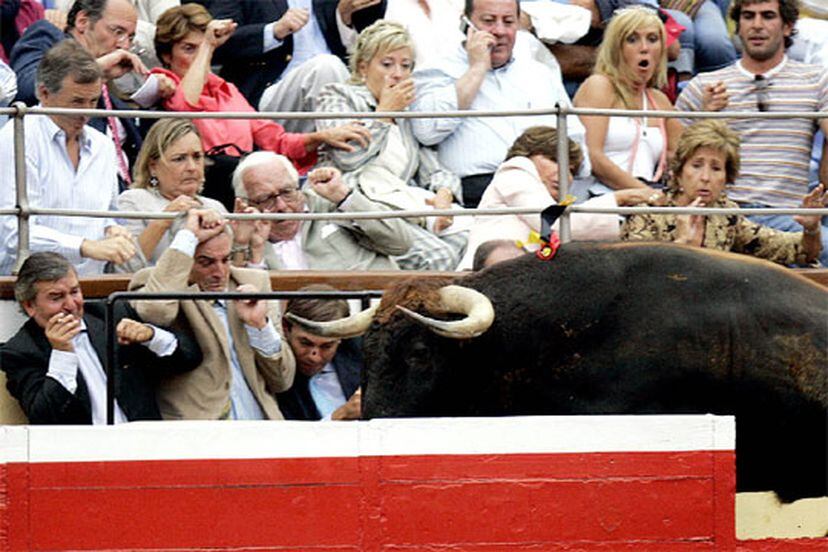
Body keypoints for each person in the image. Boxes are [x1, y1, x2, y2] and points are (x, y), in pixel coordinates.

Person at [151, 3, 372, 209]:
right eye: (189, 49)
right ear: (166, 56)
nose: (202, 55)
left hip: (245, 189)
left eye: (205, 48)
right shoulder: (162, 84)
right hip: (203, 190)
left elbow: (277, 141)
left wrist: (322, 137)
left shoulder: (227, 90)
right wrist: (209, 44)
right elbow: (183, 108)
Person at [676, 0, 828, 265]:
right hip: (720, 212)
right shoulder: (704, 85)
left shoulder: (816, 81)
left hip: (786, 216)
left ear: (787, 26)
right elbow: (674, 161)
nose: (757, 25)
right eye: (748, 16)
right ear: (739, 25)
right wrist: (706, 116)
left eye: (768, 16)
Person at [316, 20, 467, 271]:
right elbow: (348, 158)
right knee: (439, 257)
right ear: (363, 67)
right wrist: (383, 113)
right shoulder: (338, 95)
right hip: (354, 206)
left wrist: (444, 194)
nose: (397, 73)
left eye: (406, 66)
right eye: (387, 64)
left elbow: (433, 165)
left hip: (401, 207)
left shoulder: (405, 113)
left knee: (466, 241)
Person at [410, 0, 588, 208]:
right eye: (489, 21)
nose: (499, 31)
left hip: (542, 190)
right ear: (466, 24)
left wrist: (563, 166)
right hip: (478, 195)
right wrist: (477, 69)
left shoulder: (540, 73)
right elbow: (426, 131)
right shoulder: (437, 70)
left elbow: (574, 137)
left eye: (509, 21)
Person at [128, 208, 295, 420]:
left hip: (260, 424)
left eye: (226, 259)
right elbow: (156, 312)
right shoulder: (153, 282)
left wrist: (259, 327)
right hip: (198, 433)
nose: (219, 273)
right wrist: (188, 237)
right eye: (205, 262)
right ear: (186, 256)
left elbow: (283, 379)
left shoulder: (252, 283)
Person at [0, 252, 202, 424]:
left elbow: (189, 358)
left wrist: (151, 336)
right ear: (30, 306)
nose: (71, 304)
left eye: (75, 292)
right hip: (83, 456)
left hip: (144, 446)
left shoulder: (111, 314)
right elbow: (45, 416)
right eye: (56, 297)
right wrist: (62, 353)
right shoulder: (20, 351)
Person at [0, 40, 140, 276]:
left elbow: (109, 215)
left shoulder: (103, 146)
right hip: (26, 288)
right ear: (44, 93)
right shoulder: (17, 138)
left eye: (93, 101)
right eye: (77, 101)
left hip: (93, 286)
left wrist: (113, 231)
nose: (86, 112)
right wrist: (86, 247)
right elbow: (14, 233)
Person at [622, 120, 825, 265]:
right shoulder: (648, 213)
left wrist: (811, 230)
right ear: (678, 172)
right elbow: (637, 274)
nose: (705, 177)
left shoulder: (725, 214)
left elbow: (797, 252)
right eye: (696, 165)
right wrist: (682, 243)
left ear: (727, 178)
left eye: (716, 168)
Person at [458, 126, 661, 269]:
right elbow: (552, 223)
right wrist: (618, 199)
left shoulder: (548, 198)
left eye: (571, 170)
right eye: (554, 160)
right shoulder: (515, 171)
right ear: (526, 155)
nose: (564, 174)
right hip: (485, 275)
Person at [9, 0, 162, 187]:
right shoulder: (47, 35)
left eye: (130, 37)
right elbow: (26, 86)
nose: (124, 45)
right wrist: (93, 70)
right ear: (82, 21)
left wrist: (154, 95)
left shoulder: (111, 97)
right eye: (117, 32)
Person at [207, 0, 387, 123]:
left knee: (404, 82)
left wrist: (344, 17)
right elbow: (218, 42)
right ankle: (349, 156)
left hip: (339, 83)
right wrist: (274, 31)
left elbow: (370, 37)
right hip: (272, 90)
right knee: (325, 66)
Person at [231, 152, 413, 271]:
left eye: (287, 192)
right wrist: (243, 242)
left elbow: (400, 243)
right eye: (265, 199)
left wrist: (343, 195)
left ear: (298, 186)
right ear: (247, 203)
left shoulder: (331, 205)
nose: (281, 206)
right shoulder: (243, 237)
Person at [573, 6, 682, 197]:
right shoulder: (599, 86)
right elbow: (593, 157)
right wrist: (646, 194)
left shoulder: (659, 100)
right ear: (616, 49)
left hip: (646, 202)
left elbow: (683, 155)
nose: (644, 48)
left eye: (652, 39)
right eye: (632, 39)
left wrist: (707, 109)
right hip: (601, 198)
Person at [116, 118, 226, 267]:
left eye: (197, 157)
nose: (192, 167)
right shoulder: (134, 201)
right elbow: (125, 268)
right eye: (179, 159)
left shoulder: (215, 207)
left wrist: (242, 240)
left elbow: (228, 273)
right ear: (153, 166)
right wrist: (165, 219)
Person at [276, 285, 363, 421]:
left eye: (327, 346)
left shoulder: (360, 353)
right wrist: (340, 416)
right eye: (305, 343)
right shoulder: (274, 369)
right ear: (286, 327)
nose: (314, 356)